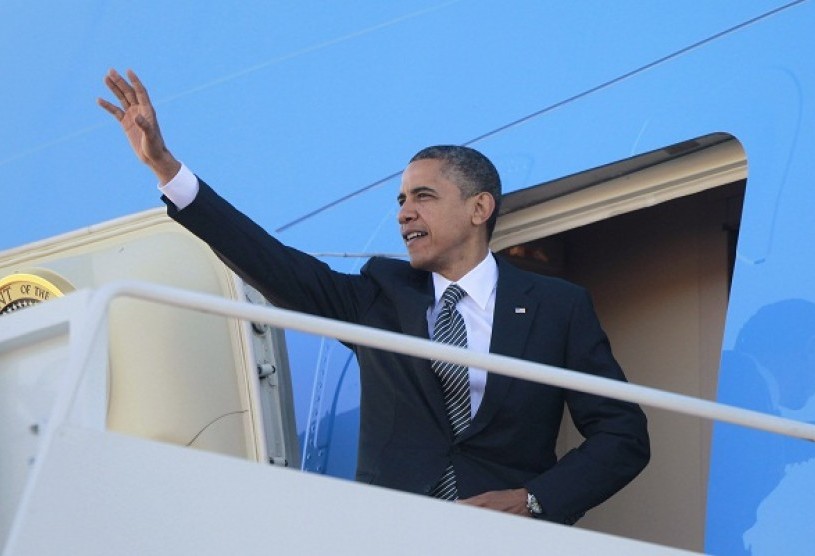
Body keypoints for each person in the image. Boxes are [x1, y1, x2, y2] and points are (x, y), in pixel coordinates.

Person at [98, 68, 649, 525]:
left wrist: (534, 500)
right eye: (401, 199)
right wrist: (168, 170)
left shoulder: (557, 306)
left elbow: (623, 435)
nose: (405, 212)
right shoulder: (380, 297)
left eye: (424, 197)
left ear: (480, 209)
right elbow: (273, 263)